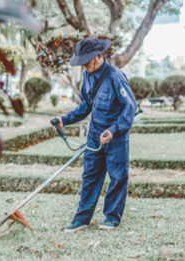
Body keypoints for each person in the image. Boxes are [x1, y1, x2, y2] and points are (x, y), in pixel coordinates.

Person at [51, 38, 137, 233]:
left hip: (115, 137)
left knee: (117, 177)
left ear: (99, 56)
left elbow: (129, 107)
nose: (85, 65)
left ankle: (111, 217)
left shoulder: (116, 76)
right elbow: (86, 106)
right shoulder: (87, 76)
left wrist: (113, 130)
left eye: (87, 61)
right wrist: (65, 119)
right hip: (95, 136)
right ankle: (82, 219)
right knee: (89, 177)